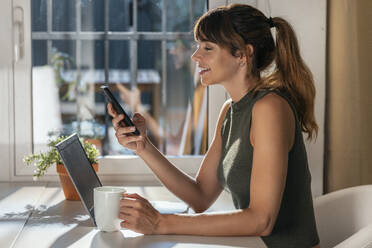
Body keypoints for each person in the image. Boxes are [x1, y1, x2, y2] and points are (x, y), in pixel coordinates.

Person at [108, 4, 320, 248]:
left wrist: (161, 223)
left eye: (207, 48)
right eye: (198, 46)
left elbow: (262, 220)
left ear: (243, 54)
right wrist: (143, 147)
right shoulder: (230, 110)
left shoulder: (270, 108)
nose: (195, 56)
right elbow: (200, 196)